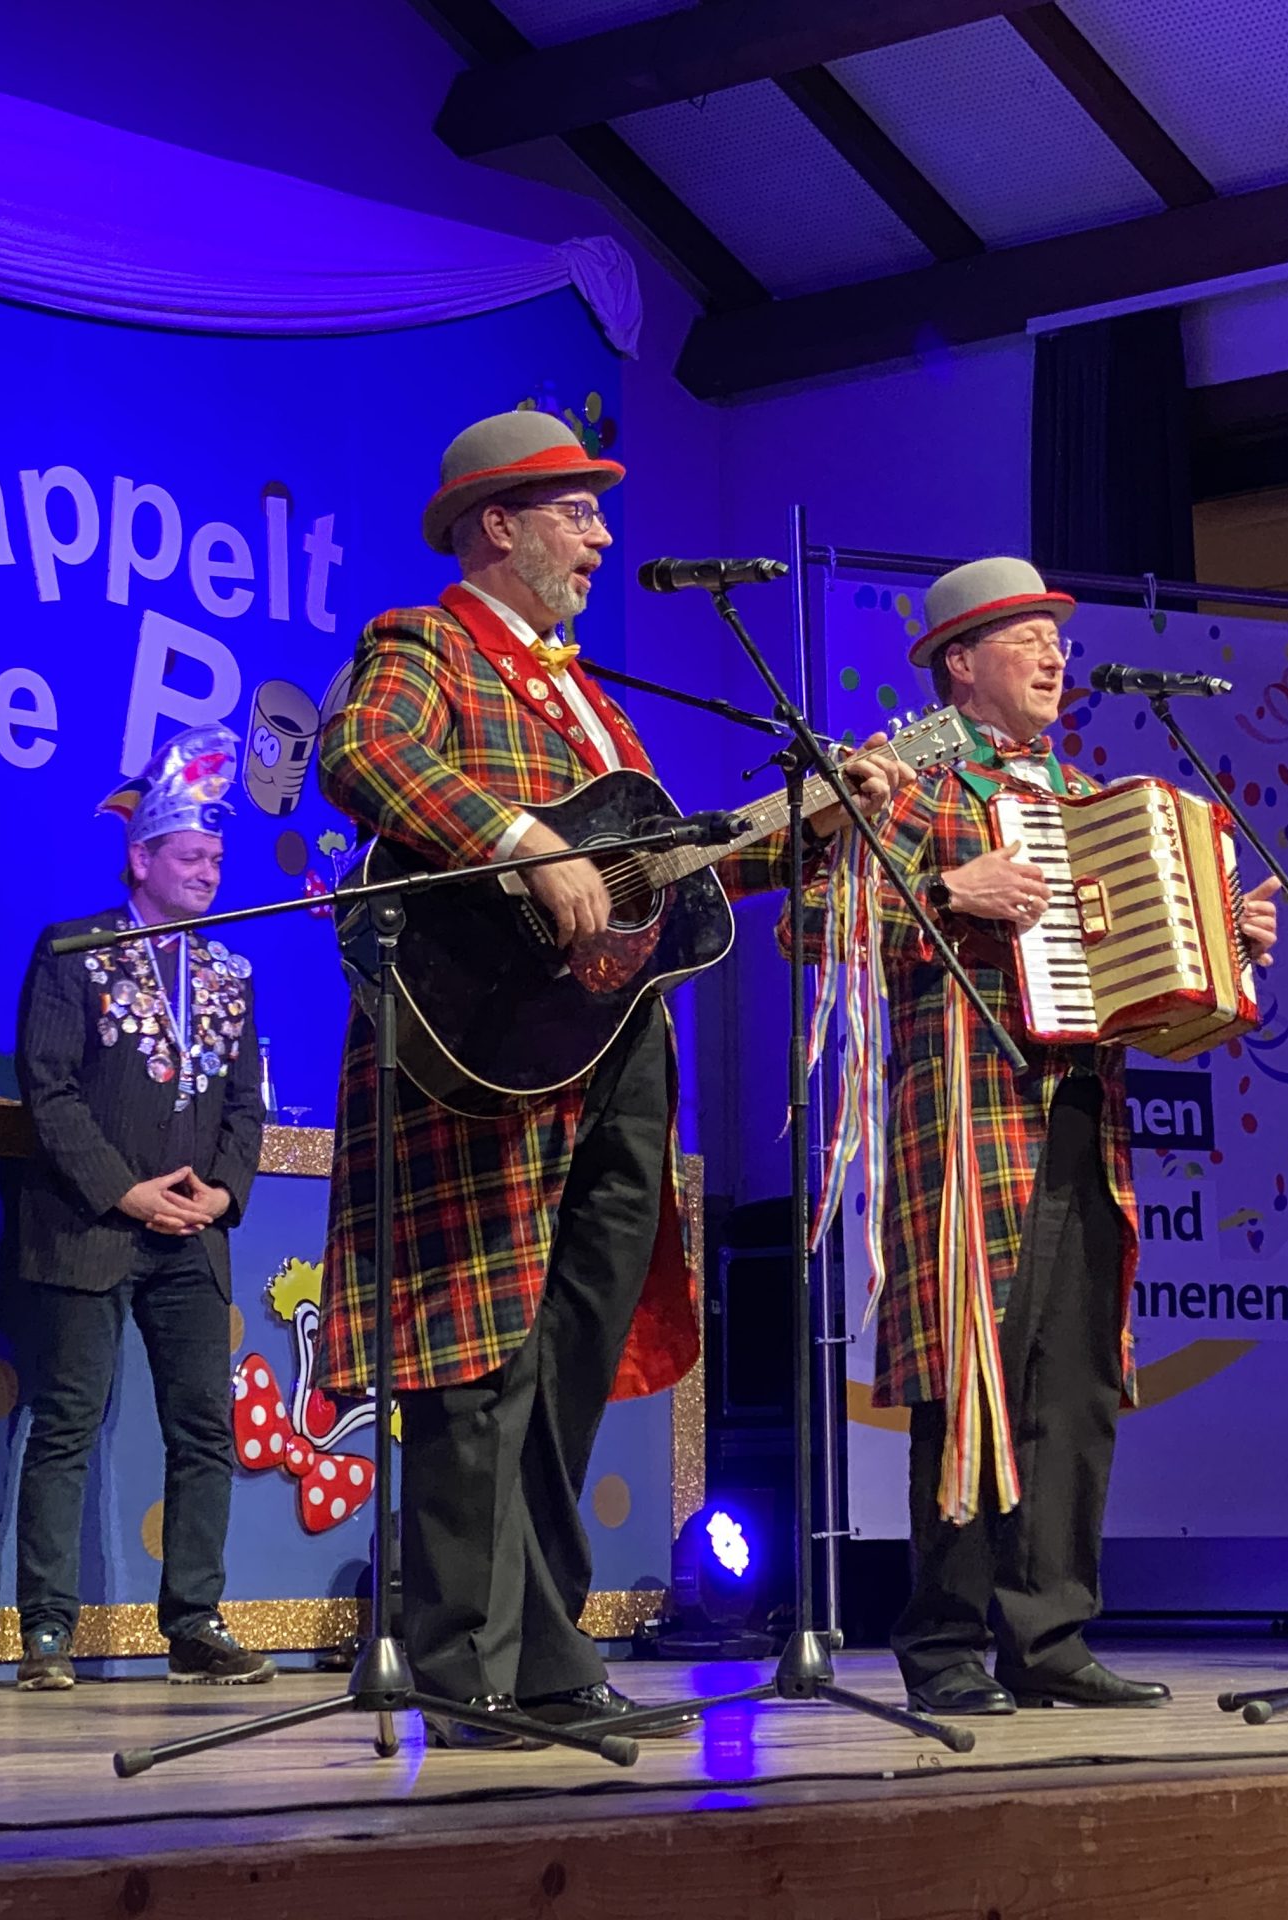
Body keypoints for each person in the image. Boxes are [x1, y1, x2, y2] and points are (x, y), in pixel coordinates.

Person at [314, 410, 899, 1746]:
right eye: (575, 512)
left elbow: (658, 878)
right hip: (487, 1049)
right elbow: (363, 753)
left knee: (571, 1351)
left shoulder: (594, 700)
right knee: (480, 1362)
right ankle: (463, 1664)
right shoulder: (428, 644)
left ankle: (545, 1647)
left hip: (613, 1049)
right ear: (498, 525)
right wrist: (520, 841)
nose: (600, 537)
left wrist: (810, 830)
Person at [800, 556, 1279, 1717]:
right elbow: (810, 922)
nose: (1055, 654)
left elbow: (1140, 983)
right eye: (1027, 637)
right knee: (971, 1379)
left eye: (1058, 636)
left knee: (1075, 1385)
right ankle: (944, 1644)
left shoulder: (1090, 800)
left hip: (1081, 1120)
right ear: (961, 663)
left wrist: (1229, 943)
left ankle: (1048, 1634)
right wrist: (945, 891)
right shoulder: (911, 783)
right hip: (967, 1117)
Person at [8, 725, 273, 1690]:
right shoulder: (75, 951)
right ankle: (47, 1631)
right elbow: (49, 1089)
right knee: (67, 1424)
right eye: (191, 856)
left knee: (204, 1430)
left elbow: (246, 1106)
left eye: (216, 859)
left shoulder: (230, 974)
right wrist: (126, 1190)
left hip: (193, 1236)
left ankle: (195, 1622)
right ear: (141, 857)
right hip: (90, 1226)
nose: (208, 873)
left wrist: (222, 1191)